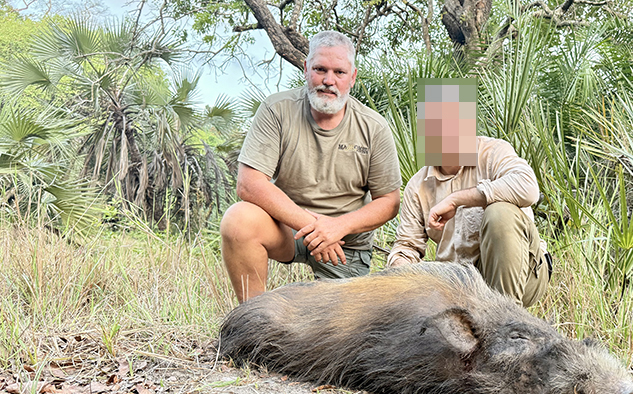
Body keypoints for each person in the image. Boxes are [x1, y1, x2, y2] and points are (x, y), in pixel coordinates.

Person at [220, 31, 401, 302]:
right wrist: (315, 227)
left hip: (344, 244)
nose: (329, 80)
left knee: (340, 327)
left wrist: (338, 227)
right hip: (288, 229)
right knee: (238, 220)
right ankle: (253, 319)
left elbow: (389, 201)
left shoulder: (374, 127)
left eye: (339, 72)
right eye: (320, 69)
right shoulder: (276, 110)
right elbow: (249, 183)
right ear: (306, 69)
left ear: (352, 77)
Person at [387, 78, 550, 308]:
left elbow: (528, 188)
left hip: (525, 275)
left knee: (500, 212)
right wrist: (400, 273)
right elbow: (407, 247)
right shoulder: (418, 185)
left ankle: (506, 318)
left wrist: (456, 200)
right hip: (460, 283)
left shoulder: (494, 152)